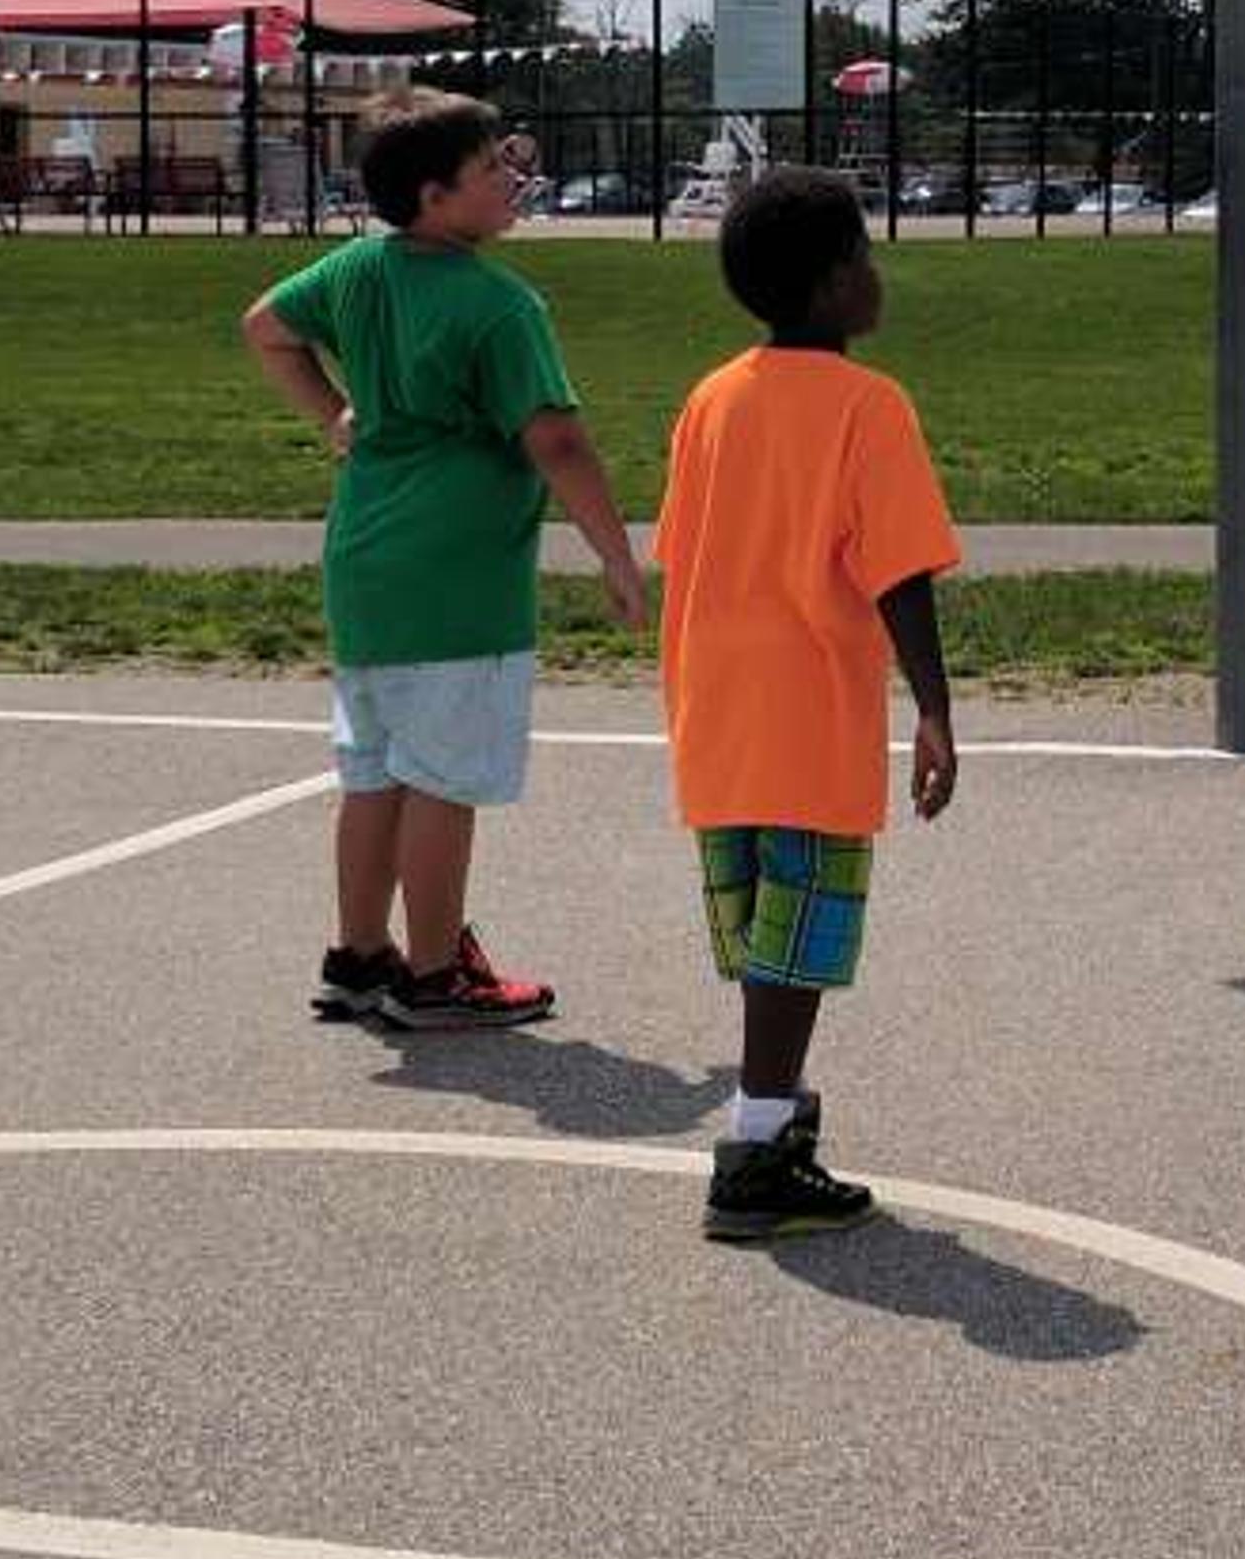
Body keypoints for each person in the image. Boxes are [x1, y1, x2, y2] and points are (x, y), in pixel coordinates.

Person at [241, 93, 649, 1032]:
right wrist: (618, 556)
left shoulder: (358, 267)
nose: (511, 180)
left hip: (366, 558)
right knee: (444, 778)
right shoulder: (497, 303)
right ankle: (431, 970)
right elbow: (556, 441)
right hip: (455, 580)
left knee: (375, 770)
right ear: (434, 198)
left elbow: (265, 324)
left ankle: (358, 952)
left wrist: (333, 410)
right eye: (490, 170)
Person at [655, 168, 961, 1241]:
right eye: (866, 257)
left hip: (716, 699)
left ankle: (768, 1109)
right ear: (836, 285)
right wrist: (933, 708)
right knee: (800, 934)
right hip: (807, 703)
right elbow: (900, 571)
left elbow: (683, 550)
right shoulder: (869, 407)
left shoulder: (712, 396)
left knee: (759, 930)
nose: (877, 276)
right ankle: (756, 1144)